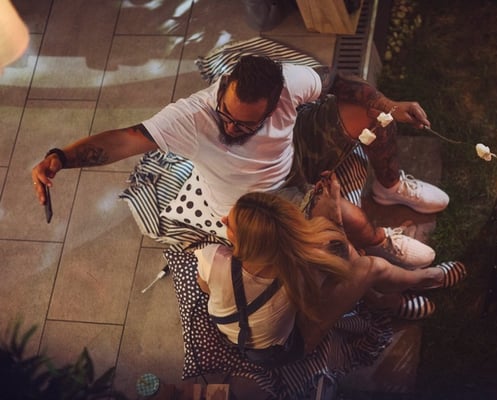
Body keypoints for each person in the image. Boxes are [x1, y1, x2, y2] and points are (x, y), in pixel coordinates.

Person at [31, 55, 443, 269]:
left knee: (377, 116)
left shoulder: (290, 82)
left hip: (295, 150)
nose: (230, 129)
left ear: (276, 100)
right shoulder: (189, 119)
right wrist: (61, 157)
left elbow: (337, 82)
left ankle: (389, 186)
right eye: (226, 116)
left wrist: (387, 104)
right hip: (262, 197)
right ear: (224, 86)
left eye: (246, 124)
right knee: (345, 222)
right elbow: (124, 139)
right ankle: (381, 243)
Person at [195, 173, 466, 361]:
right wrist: (334, 207)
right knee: (368, 266)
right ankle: (422, 280)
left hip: (242, 336)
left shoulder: (211, 256)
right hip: (289, 347)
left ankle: (383, 297)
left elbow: (203, 285)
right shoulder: (302, 270)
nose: (221, 219)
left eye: (228, 222)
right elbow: (341, 257)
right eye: (231, 222)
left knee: (347, 259)